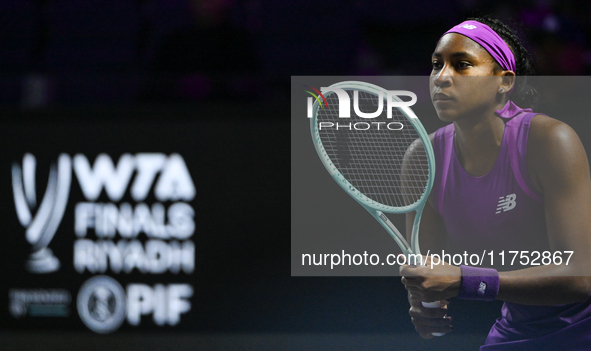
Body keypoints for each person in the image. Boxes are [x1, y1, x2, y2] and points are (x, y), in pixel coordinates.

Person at [399, 17, 591, 350]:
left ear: (504, 81)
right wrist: (423, 303)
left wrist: (465, 281)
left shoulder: (549, 141)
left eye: (462, 65)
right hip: (519, 327)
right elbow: (426, 267)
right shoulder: (423, 159)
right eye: (436, 65)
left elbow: (581, 277)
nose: (442, 78)